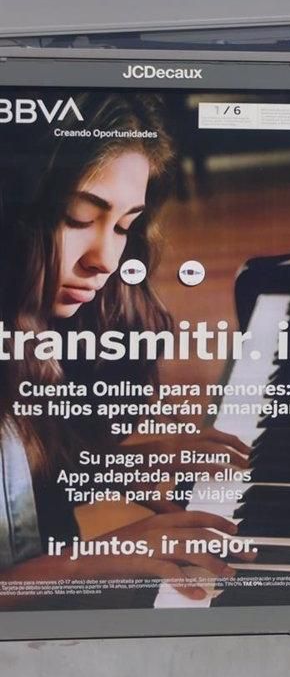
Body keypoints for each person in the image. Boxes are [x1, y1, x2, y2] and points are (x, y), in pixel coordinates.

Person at [0, 95, 244, 605]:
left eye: (123, 226)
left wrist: (121, 467)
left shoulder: (41, 329)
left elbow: (19, 495)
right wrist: (84, 563)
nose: (106, 259)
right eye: (76, 217)